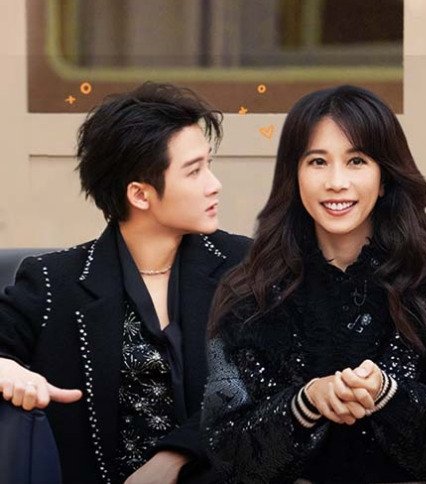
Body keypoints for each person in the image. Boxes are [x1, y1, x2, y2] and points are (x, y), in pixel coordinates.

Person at [201, 85, 426, 483]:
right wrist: (306, 403)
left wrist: (389, 396)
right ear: (294, 174)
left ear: (384, 178)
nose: (336, 182)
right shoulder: (249, 293)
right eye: (317, 161)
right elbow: (226, 452)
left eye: (356, 161)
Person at [0, 82, 251, 483]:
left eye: (209, 164)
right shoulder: (53, 283)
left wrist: (173, 458)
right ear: (139, 194)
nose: (214, 183)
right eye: (194, 171)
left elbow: (266, 381)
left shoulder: (244, 266)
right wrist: (6, 369)